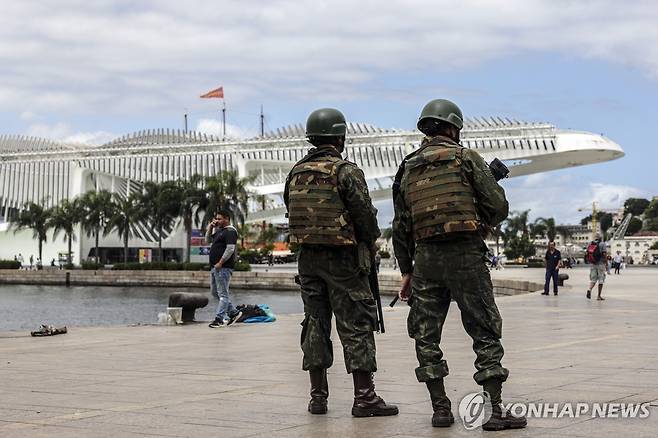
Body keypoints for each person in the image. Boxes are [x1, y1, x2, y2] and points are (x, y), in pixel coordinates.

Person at [392, 99, 526, 430]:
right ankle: (495, 411)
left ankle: (440, 408)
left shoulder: (407, 167)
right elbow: (497, 204)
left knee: (425, 334)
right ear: (453, 128)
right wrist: (481, 220)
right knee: (484, 329)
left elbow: (401, 225)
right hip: (466, 254)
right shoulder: (466, 158)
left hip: (425, 259)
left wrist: (407, 270)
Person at [283, 108, 398, 418]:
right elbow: (365, 217)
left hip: (307, 260)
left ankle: (317, 398)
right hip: (344, 260)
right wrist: (369, 241)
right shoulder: (345, 171)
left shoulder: (295, 172)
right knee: (357, 324)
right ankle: (364, 397)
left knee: (315, 323)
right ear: (339, 137)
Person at [207, 210, 242, 327]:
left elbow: (230, 249)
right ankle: (233, 312)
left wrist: (221, 262)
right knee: (215, 292)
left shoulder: (230, 232)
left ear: (227, 219)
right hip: (215, 267)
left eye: (219, 219)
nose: (217, 221)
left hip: (223, 267)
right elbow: (207, 240)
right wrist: (210, 227)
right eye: (216, 219)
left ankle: (219, 319)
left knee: (223, 294)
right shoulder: (220, 231)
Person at [586, 234, 607, 301]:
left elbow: (587, 253)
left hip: (592, 264)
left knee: (593, 279)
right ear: (600, 238)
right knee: (601, 280)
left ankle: (589, 289)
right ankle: (599, 296)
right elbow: (604, 254)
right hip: (600, 264)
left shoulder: (590, 243)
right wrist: (606, 262)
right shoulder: (602, 244)